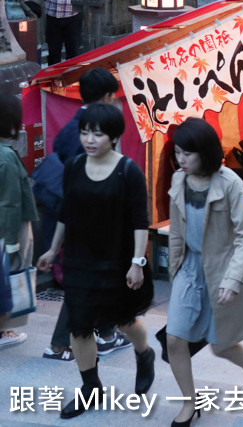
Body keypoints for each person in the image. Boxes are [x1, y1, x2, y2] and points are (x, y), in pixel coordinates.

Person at [36, 104, 155, 419]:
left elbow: (140, 221)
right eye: (85, 132)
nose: (89, 139)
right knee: (80, 328)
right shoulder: (75, 166)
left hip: (116, 260)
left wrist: (136, 262)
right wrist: (52, 249)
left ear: (114, 136)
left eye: (97, 134)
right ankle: (91, 387)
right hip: (79, 260)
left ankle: (145, 354)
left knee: (124, 321)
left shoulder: (128, 171)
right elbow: (66, 213)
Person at [164, 117, 243, 427]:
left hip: (222, 268)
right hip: (190, 268)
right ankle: (189, 404)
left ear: (205, 152)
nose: (181, 160)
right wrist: (174, 271)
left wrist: (233, 279)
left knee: (220, 345)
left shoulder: (229, 182)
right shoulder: (179, 181)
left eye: (188, 154)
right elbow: (176, 231)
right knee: (174, 340)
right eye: (178, 153)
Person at [41, 68, 128, 362]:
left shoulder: (73, 127)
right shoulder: (94, 131)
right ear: (106, 96)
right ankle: (58, 344)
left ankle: (106, 334)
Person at [0, 94, 38, 350]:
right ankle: (3, 330)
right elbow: (10, 203)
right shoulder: (6, 157)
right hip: (8, 229)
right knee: (9, 276)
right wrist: (12, 242)